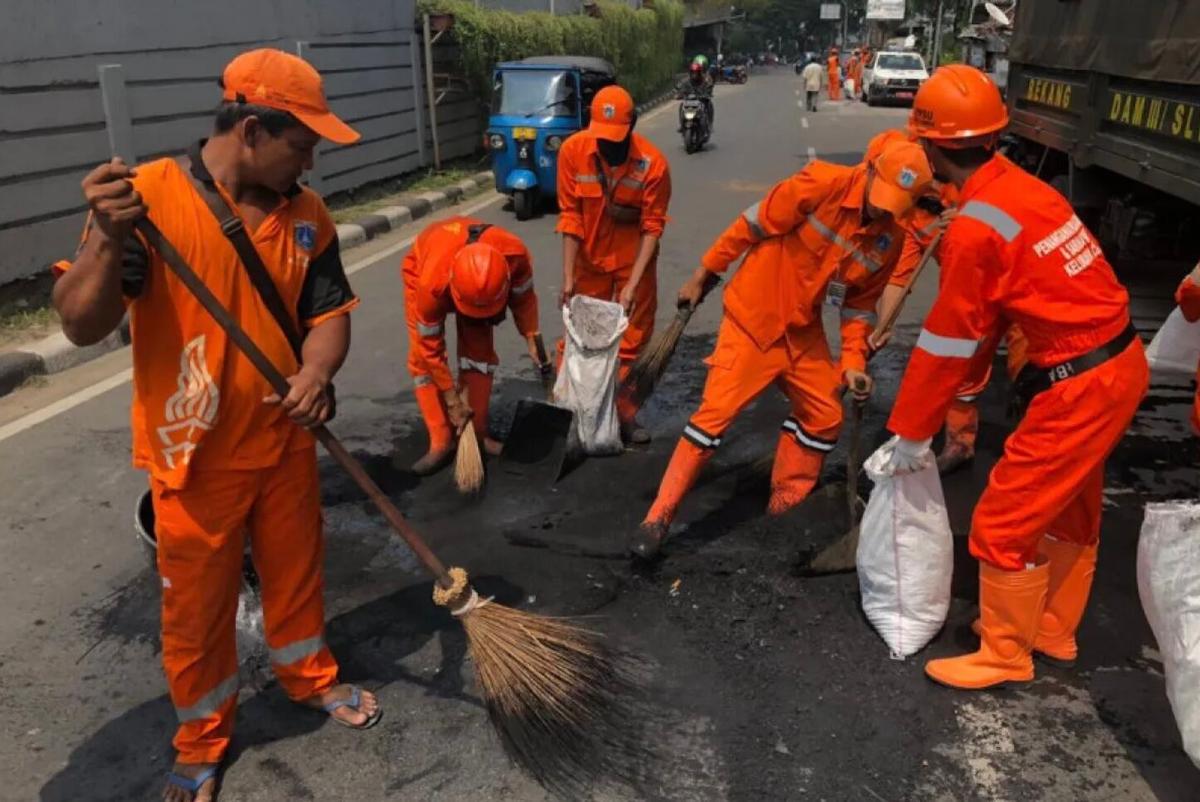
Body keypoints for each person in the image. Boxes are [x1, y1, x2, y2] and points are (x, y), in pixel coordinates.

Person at [50, 48, 380, 802]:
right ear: (255, 131)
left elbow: (327, 316)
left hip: (285, 443)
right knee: (196, 615)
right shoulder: (147, 202)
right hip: (192, 457)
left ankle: (308, 677)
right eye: (302, 144)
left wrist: (315, 373)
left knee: (297, 578)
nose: (312, 159)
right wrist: (105, 235)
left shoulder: (307, 216)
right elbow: (79, 323)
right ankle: (202, 739)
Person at [881, 65, 1148, 690]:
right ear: (992, 139)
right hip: (1117, 364)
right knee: (1071, 507)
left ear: (931, 146)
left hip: (1080, 381)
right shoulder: (1024, 191)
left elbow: (950, 341)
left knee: (1004, 516)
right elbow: (988, 326)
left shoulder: (976, 229)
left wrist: (912, 433)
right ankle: (1051, 628)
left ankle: (1005, 653)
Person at [629, 139, 934, 559]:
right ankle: (658, 519)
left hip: (801, 331)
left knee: (826, 415)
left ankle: (785, 505)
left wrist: (853, 364)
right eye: (880, 198)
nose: (882, 210)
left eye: (894, 206)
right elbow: (750, 225)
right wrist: (705, 271)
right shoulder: (820, 184)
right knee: (712, 419)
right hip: (752, 321)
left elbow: (859, 309)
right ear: (868, 171)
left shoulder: (889, 241)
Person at [865, 128, 1028, 474]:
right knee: (964, 367)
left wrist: (973, 215)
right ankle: (960, 441)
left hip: (1017, 287)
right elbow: (899, 279)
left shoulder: (974, 179)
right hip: (973, 297)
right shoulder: (911, 220)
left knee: (1030, 369)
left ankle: (1035, 440)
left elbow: (1017, 211)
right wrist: (883, 326)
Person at [556, 84, 672, 445]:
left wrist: (633, 285)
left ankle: (622, 414)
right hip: (589, 261)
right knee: (580, 338)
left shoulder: (653, 165)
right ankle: (568, 409)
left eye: (615, 139)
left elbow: (652, 228)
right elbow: (570, 216)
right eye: (602, 139)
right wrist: (568, 277)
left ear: (633, 125)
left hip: (632, 262)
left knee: (633, 341)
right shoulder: (573, 152)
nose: (608, 146)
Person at [402, 216, 545, 474]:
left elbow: (525, 300)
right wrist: (451, 399)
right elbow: (430, 348)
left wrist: (532, 337)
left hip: (468, 278)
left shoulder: (515, 255)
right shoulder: (431, 285)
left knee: (478, 355)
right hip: (424, 267)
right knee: (422, 360)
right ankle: (441, 440)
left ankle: (477, 433)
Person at [677, 60, 715, 131]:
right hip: (690, 100)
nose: (694, 75)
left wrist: (708, 93)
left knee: (709, 104)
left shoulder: (705, 80)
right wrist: (680, 94)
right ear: (690, 72)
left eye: (696, 73)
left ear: (699, 72)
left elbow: (709, 86)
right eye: (693, 73)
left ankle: (710, 123)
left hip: (701, 99)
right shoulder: (686, 81)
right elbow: (681, 88)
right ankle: (681, 124)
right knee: (681, 106)